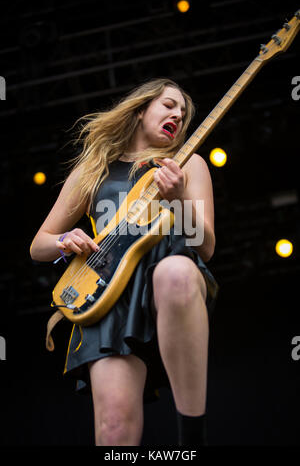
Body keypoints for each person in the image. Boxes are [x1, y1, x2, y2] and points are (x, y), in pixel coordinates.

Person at [30, 78, 219, 446]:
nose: (178, 116)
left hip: (167, 274)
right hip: (107, 295)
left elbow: (205, 246)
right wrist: (65, 241)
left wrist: (179, 198)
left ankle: (191, 442)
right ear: (140, 109)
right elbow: (39, 245)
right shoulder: (93, 170)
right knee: (114, 430)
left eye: (183, 113)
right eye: (168, 106)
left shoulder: (188, 163)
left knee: (176, 273)